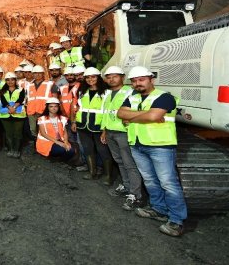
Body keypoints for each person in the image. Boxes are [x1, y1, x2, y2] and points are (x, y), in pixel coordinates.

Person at [117, 66, 187, 237]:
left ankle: (177, 220)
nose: (137, 83)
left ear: (151, 80)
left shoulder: (164, 97)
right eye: (134, 81)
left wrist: (132, 116)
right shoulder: (133, 97)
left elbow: (153, 117)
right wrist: (145, 114)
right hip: (137, 144)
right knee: (150, 180)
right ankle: (158, 209)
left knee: (168, 183)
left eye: (141, 80)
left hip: (160, 146)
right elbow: (120, 113)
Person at [100, 66, 144, 210]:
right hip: (111, 132)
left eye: (115, 76)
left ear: (122, 77)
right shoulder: (107, 93)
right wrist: (104, 131)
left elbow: (138, 111)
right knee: (119, 161)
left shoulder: (130, 92)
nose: (112, 79)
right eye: (109, 77)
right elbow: (106, 112)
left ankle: (135, 194)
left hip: (124, 133)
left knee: (129, 163)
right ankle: (126, 185)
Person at [71, 67, 111, 181]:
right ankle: (92, 172)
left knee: (103, 151)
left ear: (99, 78)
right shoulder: (82, 92)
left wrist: (105, 130)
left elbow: (107, 112)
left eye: (93, 77)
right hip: (82, 125)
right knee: (88, 149)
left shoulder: (107, 93)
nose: (90, 79)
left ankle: (108, 176)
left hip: (99, 126)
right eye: (87, 77)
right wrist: (74, 121)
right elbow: (78, 108)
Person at [25, 65, 59, 154]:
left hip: (44, 112)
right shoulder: (29, 86)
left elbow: (55, 98)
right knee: (33, 130)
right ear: (33, 74)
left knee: (45, 130)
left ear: (43, 74)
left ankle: (47, 148)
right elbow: (28, 98)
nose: (37, 75)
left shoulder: (50, 84)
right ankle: (38, 146)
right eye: (35, 73)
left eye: (39, 73)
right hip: (32, 112)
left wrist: (54, 111)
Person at [0, 72, 26, 158]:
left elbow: (21, 99)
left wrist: (14, 107)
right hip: (6, 115)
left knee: (17, 133)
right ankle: (11, 149)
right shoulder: (2, 91)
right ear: (5, 81)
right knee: (8, 133)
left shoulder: (21, 90)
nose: (10, 82)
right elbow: (3, 101)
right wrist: (10, 108)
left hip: (18, 115)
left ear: (15, 80)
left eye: (12, 80)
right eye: (8, 80)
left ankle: (17, 150)